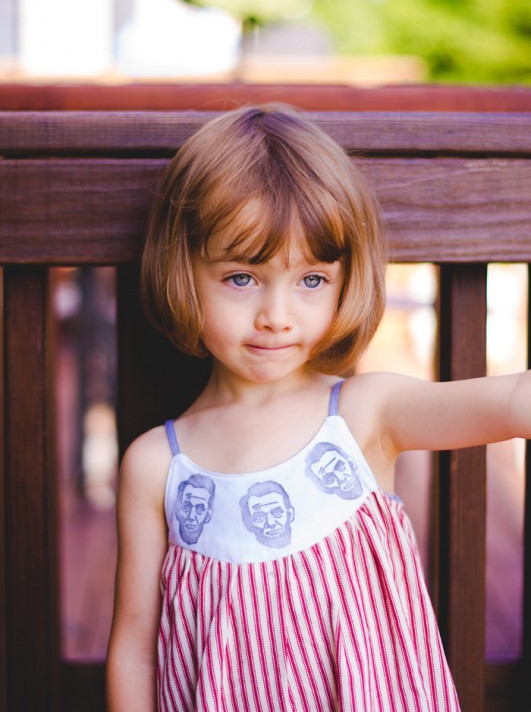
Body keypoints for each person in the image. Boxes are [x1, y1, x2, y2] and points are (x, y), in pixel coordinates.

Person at [106, 104, 531, 712]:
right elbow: (135, 649)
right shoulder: (156, 465)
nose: (277, 315)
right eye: (241, 277)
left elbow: (513, 400)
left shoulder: (363, 415)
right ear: (183, 271)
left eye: (310, 280)